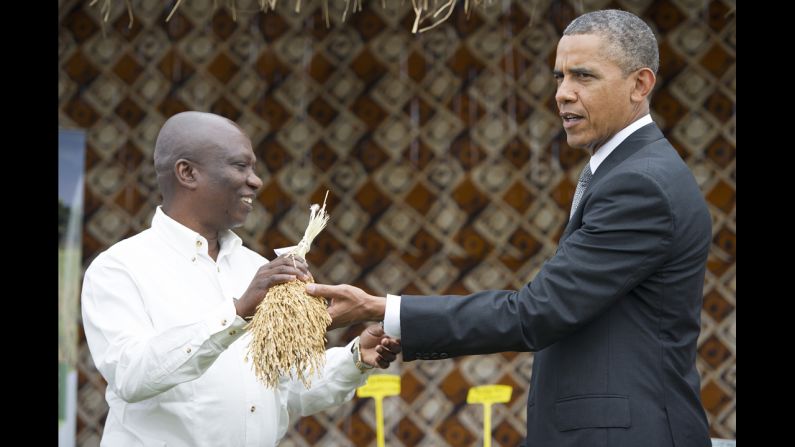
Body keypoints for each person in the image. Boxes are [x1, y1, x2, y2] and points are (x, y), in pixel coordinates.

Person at [307, 9, 712, 447]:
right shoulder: (626, 172)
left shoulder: (639, 184)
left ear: (640, 84)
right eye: (559, 77)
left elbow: (535, 313)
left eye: (584, 77)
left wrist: (379, 308)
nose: (563, 94)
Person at [81, 111, 401, 447]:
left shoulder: (256, 267)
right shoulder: (119, 268)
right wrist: (236, 312)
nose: (256, 181)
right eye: (240, 166)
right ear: (187, 173)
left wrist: (354, 358)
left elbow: (286, 389)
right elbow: (131, 376)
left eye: (254, 168)